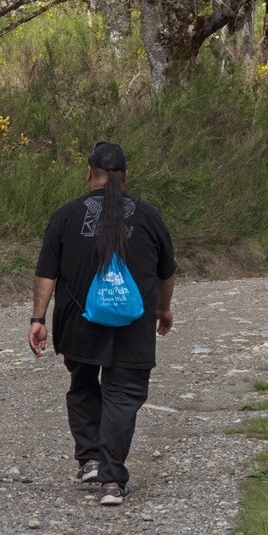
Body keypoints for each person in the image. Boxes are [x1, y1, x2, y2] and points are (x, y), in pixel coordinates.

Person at [28, 141, 176, 506]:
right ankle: (112, 481)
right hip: (133, 325)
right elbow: (167, 273)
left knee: (82, 383)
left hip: (78, 322)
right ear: (125, 176)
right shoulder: (148, 216)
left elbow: (46, 274)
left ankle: (91, 458)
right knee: (122, 394)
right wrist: (164, 308)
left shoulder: (65, 216)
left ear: (88, 173)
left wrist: (38, 318)